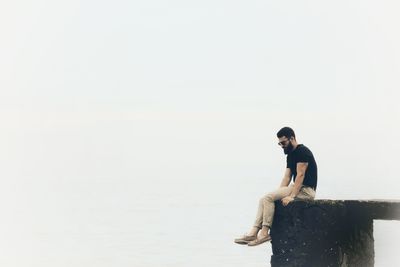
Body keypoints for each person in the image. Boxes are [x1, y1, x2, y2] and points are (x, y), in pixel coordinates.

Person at [234, 127, 318, 246]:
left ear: (292, 138)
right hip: (298, 187)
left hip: (306, 190)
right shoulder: (290, 155)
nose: (281, 146)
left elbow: (300, 175)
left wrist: (292, 197)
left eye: (283, 142)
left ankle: (264, 234)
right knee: (264, 199)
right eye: (279, 143)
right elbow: (287, 177)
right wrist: (278, 193)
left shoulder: (303, 152)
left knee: (268, 198)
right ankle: (254, 232)